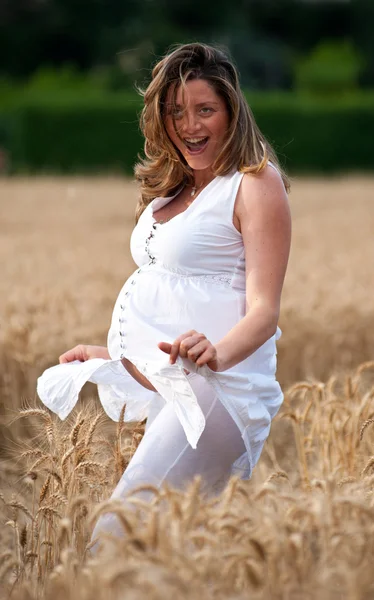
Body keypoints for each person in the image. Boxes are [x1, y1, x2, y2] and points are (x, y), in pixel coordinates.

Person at [37, 42, 291, 544]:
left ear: (232, 112)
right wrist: (114, 357)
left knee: (116, 534)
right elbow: (175, 307)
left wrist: (217, 354)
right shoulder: (172, 189)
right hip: (174, 386)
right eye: (176, 112)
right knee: (172, 546)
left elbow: (263, 311)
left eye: (205, 110)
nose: (190, 126)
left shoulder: (255, 184)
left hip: (220, 390)